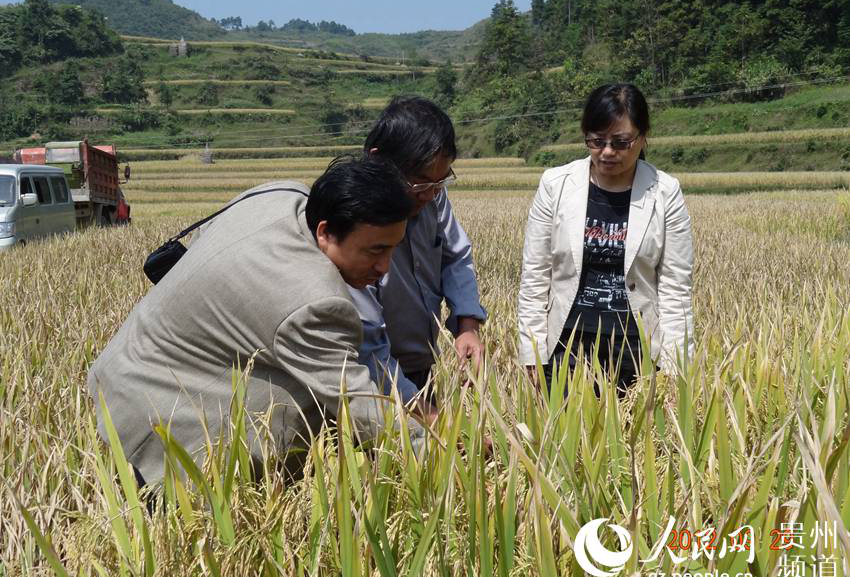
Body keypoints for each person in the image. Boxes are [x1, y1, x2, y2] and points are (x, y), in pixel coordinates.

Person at [87, 156, 425, 486]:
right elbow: (357, 403)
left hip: (117, 377)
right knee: (314, 406)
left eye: (393, 249)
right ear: (325, 232)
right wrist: (445, 456)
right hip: (157, 422)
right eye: (375, 251)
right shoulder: (314, 301)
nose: (385, 268)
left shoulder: (281, 195)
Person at [517, 83, 694, 394]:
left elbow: (676, 289)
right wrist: (531, 353)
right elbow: (535, 276)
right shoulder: (555, 185)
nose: (608, 152)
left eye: (621, 142)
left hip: (636, 352)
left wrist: (676, 368)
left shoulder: (665, 192)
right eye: (597, 141)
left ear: (643, 136)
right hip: (565, 347)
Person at [350, 96, 487, 406]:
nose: (431, 193)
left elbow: (455, 255)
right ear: (378, 159)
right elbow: (368, 343)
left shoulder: (433, 196)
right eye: (421, 183)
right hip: (369, 377)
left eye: (441, 180)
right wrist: (426, 417)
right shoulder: (352, 217)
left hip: (419, 365)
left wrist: (467, 324)